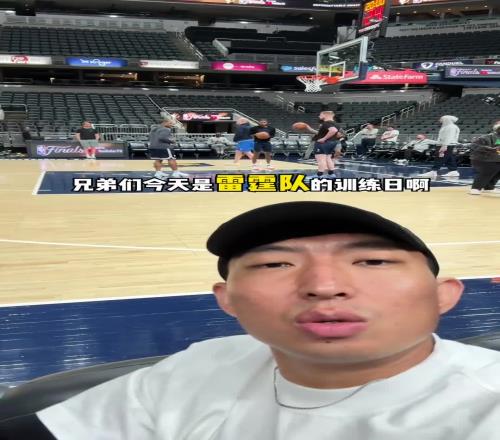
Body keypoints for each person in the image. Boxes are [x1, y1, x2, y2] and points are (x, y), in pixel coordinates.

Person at [5, 201, 499, 440]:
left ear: (445, 295)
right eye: (274, 264)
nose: (325, 285)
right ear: (227, 301)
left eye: (372, 261)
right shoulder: (201, 366)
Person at [303, 111, 340, 177]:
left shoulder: (326, 123)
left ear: (325, 115)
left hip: (323, 143)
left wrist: (324, 138)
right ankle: (331, 173)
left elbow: (333, 130)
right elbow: (337, 133)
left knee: (321, 159)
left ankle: (319, 175)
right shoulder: (336, 123)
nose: (319, 116)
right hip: (332, 142)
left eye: (320, 115)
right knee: (328, 158)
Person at [468, 121, 500, 195]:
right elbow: (474, 146)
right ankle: (475, 188)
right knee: (490, 169)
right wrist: (490, 149)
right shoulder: (486, 137)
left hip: (496, 159)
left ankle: (489, 187)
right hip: (482, 159)